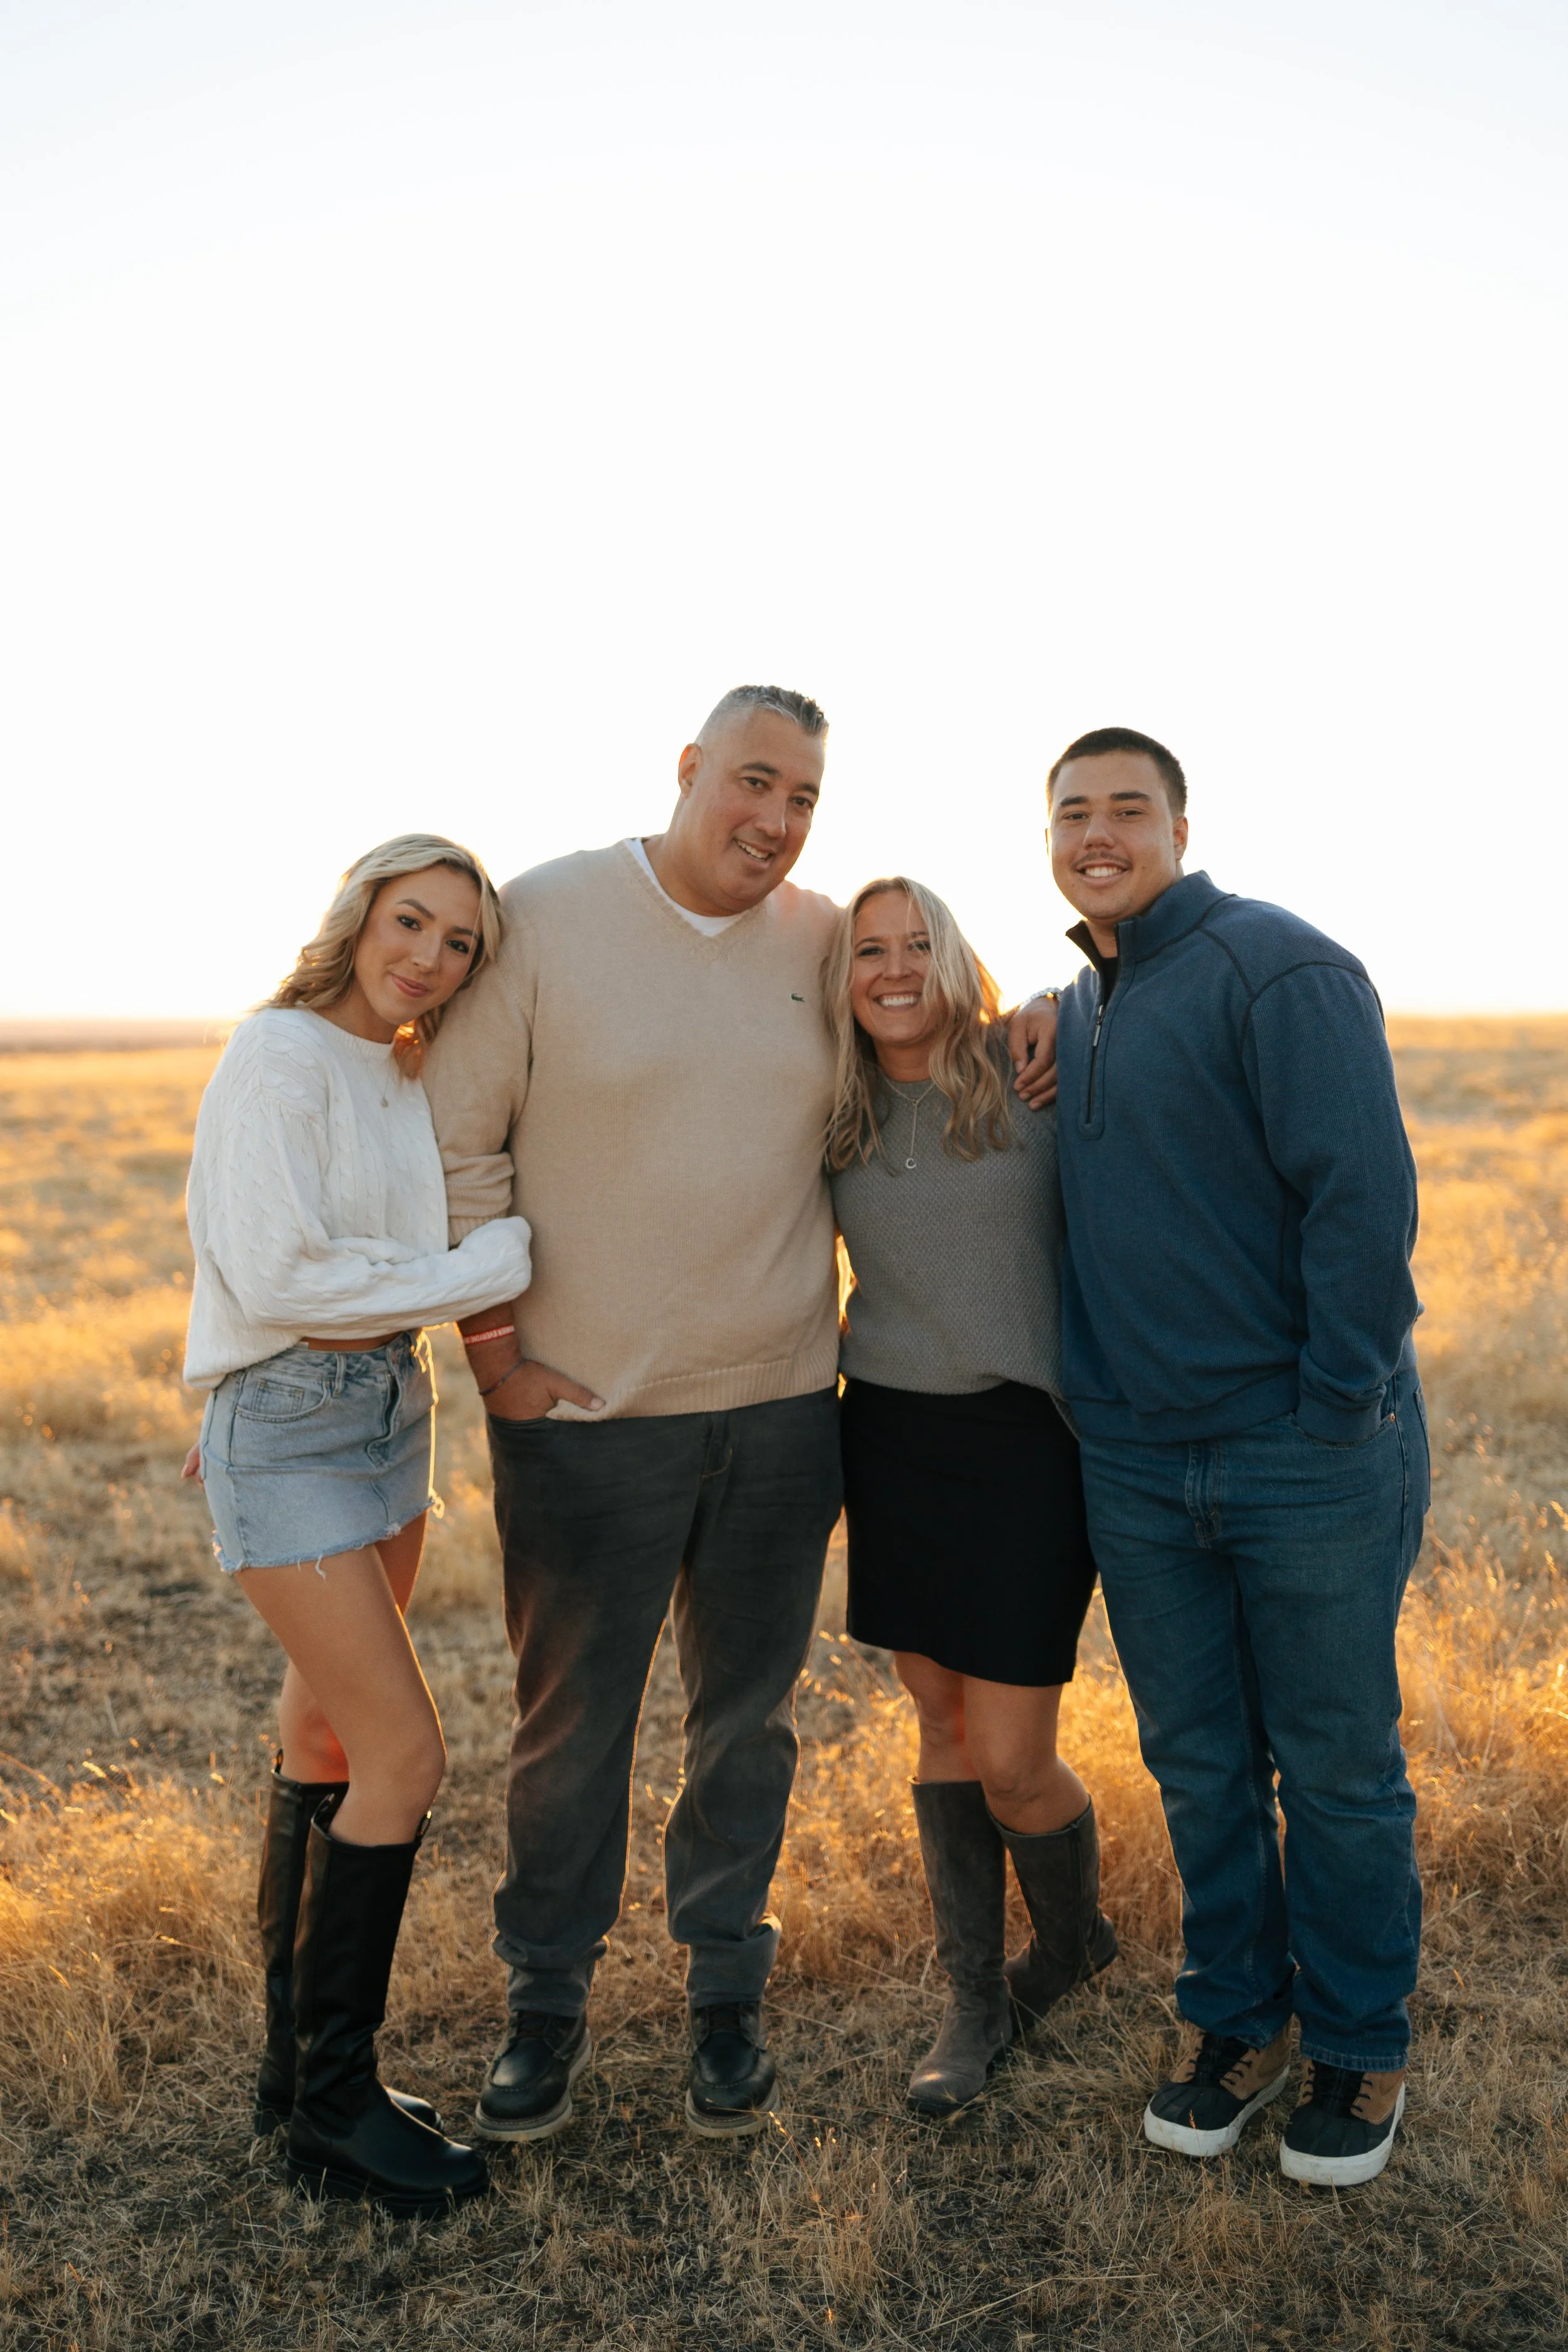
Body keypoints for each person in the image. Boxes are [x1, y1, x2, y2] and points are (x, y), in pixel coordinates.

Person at [422, 686, 1057, 2143]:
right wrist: (500, 1363)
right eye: (753, 783)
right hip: (586, 1419)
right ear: (690, 767)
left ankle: (724, 2000)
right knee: (572, 1730)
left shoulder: (824, 937)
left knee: (744, 1727)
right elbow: (458, 1147)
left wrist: (1036, 1018)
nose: (774, 821)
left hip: (783, 1413)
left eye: (804, 800)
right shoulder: (546, 917)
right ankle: (545, 2006)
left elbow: (927, 1014)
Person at [1034, 726, 1428, 2188]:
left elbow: (1360, 1202)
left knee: (1331, 1766)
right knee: (1197, 1765)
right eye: (1071, 811)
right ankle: (1228, 2022)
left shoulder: (1280, 968)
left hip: (1298, 1452)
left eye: (1125, 808)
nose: (1096, 831)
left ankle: (1356, 2038)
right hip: (1137, 1466)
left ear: (1180, 828)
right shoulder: (1079, 1003)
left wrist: (1332, 1404)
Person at [182, 834, 533, 2218]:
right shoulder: (276, 1056)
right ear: (357, 913)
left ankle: (295, 2078)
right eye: (412, 922)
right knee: (406, 1754)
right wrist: (471, 1271)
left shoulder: (396, 1065)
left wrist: (414, 1285)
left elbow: (362, 1268)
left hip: (391, 1404)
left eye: (459, 944)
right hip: (290, 1417)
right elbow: (274, 1276)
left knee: (325, 1736)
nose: (431, 959)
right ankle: (336, 2106)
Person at [826, 877, 1115, 2121]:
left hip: (1021, 1443)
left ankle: (1067, 1942)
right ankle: (972, 2000)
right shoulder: (829, 1109)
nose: (891, 968)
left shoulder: (1030, 1069)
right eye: (864, 951)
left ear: (952, 959)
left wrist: (1060, 993)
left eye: (914, 945)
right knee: (937, 1728)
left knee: (1011, 1757)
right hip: (886, 1432)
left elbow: (1122, 998)